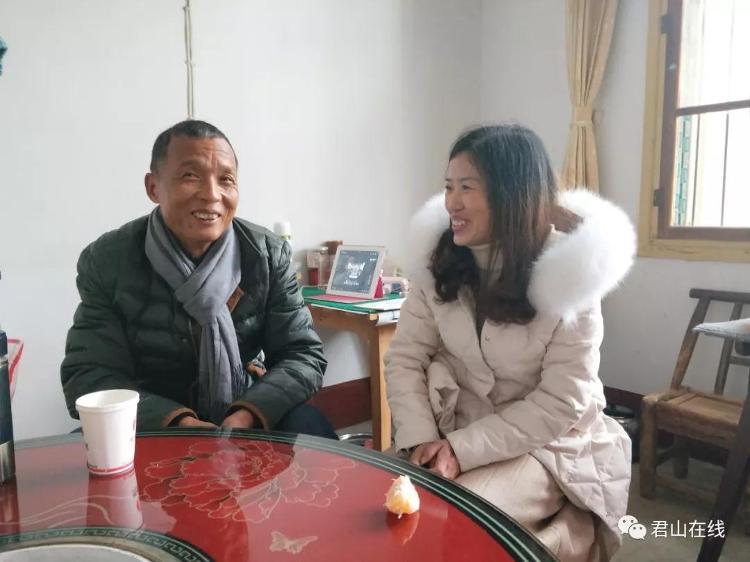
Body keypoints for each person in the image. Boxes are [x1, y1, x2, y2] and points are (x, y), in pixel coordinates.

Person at [384, 125, 634, 561]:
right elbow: (406, 358)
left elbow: (561, 402)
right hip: (451, 428)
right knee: (383, 507)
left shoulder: (571, 276)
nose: (451, 202)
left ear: (510, 194)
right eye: (448, 186)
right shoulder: (438, 263)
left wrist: (461, 450)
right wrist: (421, 437)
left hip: (549, 445)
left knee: (455, 522)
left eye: (466, 187)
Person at [61, 120, 336, 439]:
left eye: (226, 180)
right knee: (80, 449)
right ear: (153, 187)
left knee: (310, 426)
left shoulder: (266, 255)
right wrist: (177, 422)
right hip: (153, 420)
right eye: (190, 176)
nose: (211, 195)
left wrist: (249, 412)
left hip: (245, 408)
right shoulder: (109, 260)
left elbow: (302, 354)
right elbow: (89, 373)